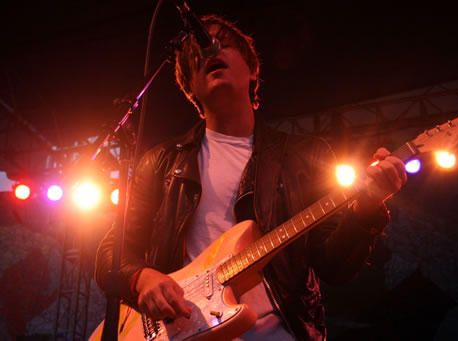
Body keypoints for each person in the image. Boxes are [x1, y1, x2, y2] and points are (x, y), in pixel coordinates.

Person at [95, 14, 407, 341]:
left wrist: (367, 207)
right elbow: (111, 254)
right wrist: (141, 279)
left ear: (253, 69)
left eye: (223, 45)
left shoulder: (304, 154)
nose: (210, 52)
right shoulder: (159, 162)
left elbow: (336, 267)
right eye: (196, 55)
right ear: (190, 87)